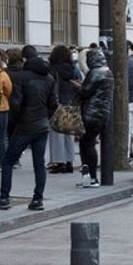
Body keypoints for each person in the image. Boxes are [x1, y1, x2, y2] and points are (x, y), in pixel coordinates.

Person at [0, 48, 54, 211]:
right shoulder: (49, 78)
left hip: (25, 125)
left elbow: (16, 103)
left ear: (26, 60)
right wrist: (45, 117)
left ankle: (4, 197)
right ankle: (38, 199)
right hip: (42, 125)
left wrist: (16, 121)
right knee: (39, 164)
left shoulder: (22, 77)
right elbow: (53, 103)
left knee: (8, 161)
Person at [74, 46, 113, 189]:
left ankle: (91, 177)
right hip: (101, 113)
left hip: (91, 113)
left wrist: (78, 87)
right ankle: (90, 177)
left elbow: (85, 91)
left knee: (87, 145)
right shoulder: (107, 72)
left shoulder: (95, 73)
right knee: (88, 144)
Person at [47, 45, 80, 174]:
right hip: (71, 103)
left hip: (57, 103)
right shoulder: (73, 68)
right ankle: (69, 162)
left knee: (57, 135)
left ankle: (59, 162)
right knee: (69, 135)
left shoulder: (52, 69)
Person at [0, 50, 14, 170]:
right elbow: (9, 90)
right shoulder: (2, 74)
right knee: (1, 138)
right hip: (1, 109)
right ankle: (3, 162)